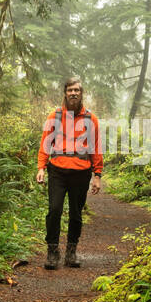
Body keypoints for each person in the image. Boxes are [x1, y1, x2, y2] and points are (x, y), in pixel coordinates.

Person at [35, 77, 102, 269]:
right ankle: (52, 251)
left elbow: (96, 148)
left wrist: (97, 175)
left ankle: (71, 252)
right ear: (65, 93)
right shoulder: (54, 116)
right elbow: (45, 143)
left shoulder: (91, 119)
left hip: (81, 174)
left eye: (77, 90)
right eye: (70, 90)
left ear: (82, 94)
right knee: (54, 210)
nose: (73, 93)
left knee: (75, 214)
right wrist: (41, 167)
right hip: (57, 171)